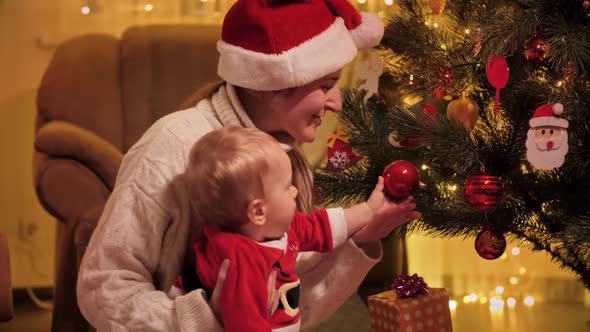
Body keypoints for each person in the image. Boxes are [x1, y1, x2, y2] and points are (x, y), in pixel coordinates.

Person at [77, 0, 422, 331]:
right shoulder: (171, 147)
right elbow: (103, 289)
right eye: (326, 85)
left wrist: (366, 236)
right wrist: (207, 316)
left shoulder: (280, 152)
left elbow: (287, 305)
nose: (336, 103)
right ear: (272, 85)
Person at [171, 126, 414, 331]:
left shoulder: (276, 226)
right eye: (287, 187)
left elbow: (319, 227)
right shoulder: (243, 264)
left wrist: (370, 209)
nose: (295, 191)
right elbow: (246, 325)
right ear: (258, 211)